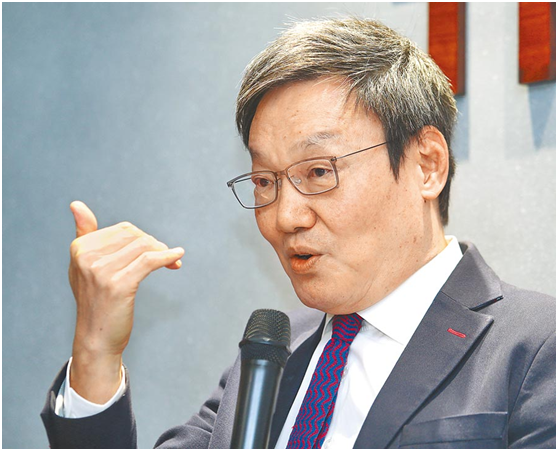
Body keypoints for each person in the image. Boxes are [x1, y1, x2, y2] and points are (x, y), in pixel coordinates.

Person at [41, 17, 555, 449]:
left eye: (319, 172)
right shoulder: (271, 355)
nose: (286, 216)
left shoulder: (536, 348)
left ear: (427, 165)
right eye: (265, 181)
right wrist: (96, 351)